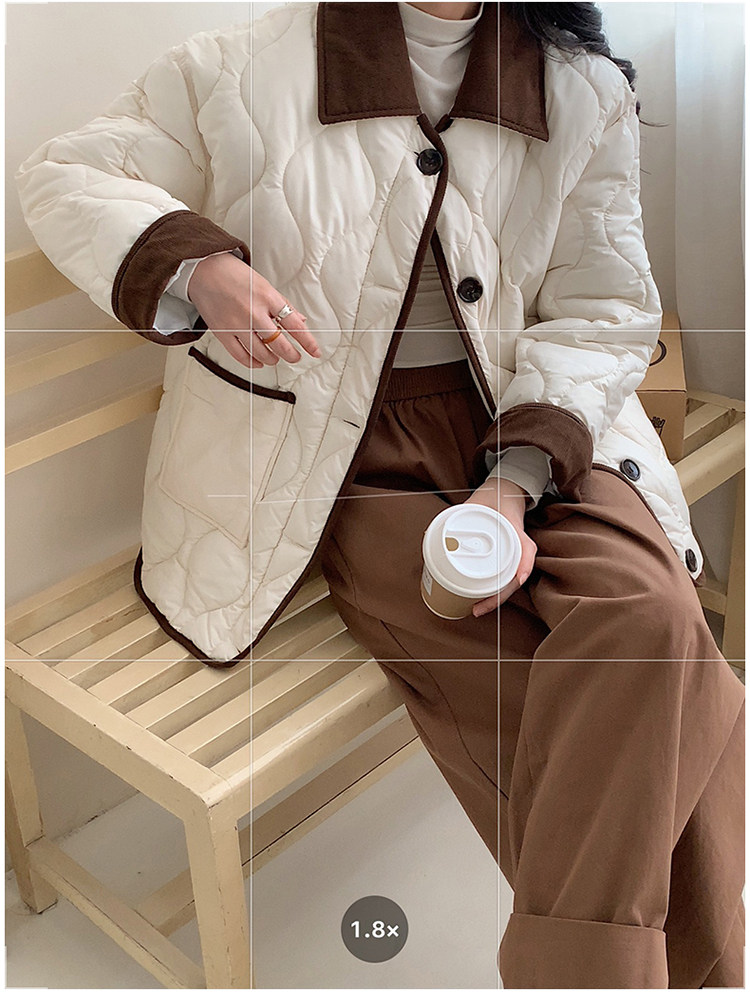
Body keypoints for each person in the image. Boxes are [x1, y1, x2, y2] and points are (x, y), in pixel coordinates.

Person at [16, 2, 744, 987]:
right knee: (569, 693)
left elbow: (603, 309)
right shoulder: (245, 66)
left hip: (537, 420)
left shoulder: (582, 91)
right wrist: (202, 265)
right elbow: (66, 173)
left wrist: (511, 486)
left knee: (654, 622)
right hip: (344, 453)